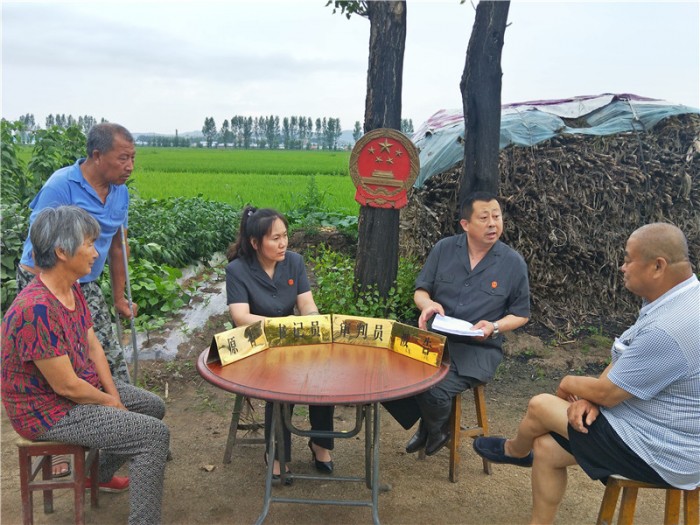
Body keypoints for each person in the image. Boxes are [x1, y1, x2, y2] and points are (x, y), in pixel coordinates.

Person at [472, 222, 700, 525]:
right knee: (547, 448)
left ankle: (514, 451)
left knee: (540, 405)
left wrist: (572, 384)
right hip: (660, 429)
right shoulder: (682, 299)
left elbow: (608, 392)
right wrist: (592, 398)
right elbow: (626, 356)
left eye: (628, 259)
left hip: (665, 451)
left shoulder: (670, 328)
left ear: (658, 266)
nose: (622, 267)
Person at [1, 206, 170, 525]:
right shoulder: (35, 310)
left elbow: (92, 346)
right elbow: (65, 386)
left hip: (76, 390)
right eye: (89, 244)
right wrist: (110, 403)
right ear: (61, 251)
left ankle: (97, 474)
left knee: (152, 407)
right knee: (152, 435)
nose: (95, 252)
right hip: (47, 411)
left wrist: (113, 396)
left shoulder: (71, 287)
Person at [384, 191, 531, 456]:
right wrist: (427, 304)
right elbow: (421, 290)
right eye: (484, 218)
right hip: (435, 341)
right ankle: (433, 425)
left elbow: (521, 314)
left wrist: (495, 327)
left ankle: (436, 429)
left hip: (478, 350)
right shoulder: (444, 249)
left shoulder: (512, 263)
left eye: (496, 217)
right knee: (389, 375)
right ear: (465, 224)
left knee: (433, 389)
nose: (492, 224)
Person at [17, 122, 137, 387]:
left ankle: (120, 401)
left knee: (105, 350)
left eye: (132, 158)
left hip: (84, 281)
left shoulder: (121, 193)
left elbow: (118, 247)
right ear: (97, 155)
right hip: (43, 280)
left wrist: (119, 298)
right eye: (122, 158)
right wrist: (58, 298)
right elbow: (39, 246)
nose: (130, 166)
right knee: (62, 355)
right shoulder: (61, 185)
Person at [225, 206, 335, 484]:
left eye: (285, 236)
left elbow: (306, 303)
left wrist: (312, 320)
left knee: (322, 372)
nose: (283, 243)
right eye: (275, 238)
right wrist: (284, 325)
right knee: (281, 382)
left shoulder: (294, 262)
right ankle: (276, 454)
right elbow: (241, 317)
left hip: (290, 341)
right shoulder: (237, 270)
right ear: (255, 243)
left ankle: (320, 442)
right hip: (257, 345)